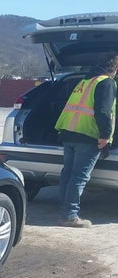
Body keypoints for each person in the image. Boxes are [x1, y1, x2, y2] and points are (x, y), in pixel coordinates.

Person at [54, 53, 118, 227]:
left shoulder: (84, 81)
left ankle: (63, 210)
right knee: (79, 177)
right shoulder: (106, 83)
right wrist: (105, 136)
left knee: (68, 173)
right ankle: (69, 215)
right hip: (88, 134)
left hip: (69, 132)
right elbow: (103, 112)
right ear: (114, 68)